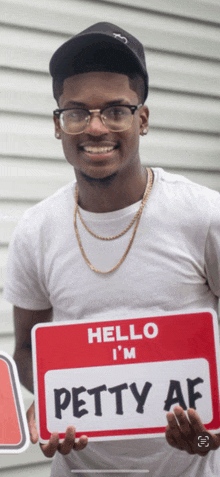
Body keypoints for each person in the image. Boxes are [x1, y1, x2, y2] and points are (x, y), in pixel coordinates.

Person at [3, 21, 220, 477]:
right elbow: (26, 349)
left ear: (142, 118)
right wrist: (45, 399)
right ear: (58, 125)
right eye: (76, 112)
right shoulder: (35, 230)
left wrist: (208, 434)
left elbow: (209, 438)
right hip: (79, 468)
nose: (95, 127)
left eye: (116, 110)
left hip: (193, 461)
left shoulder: (203, 216)